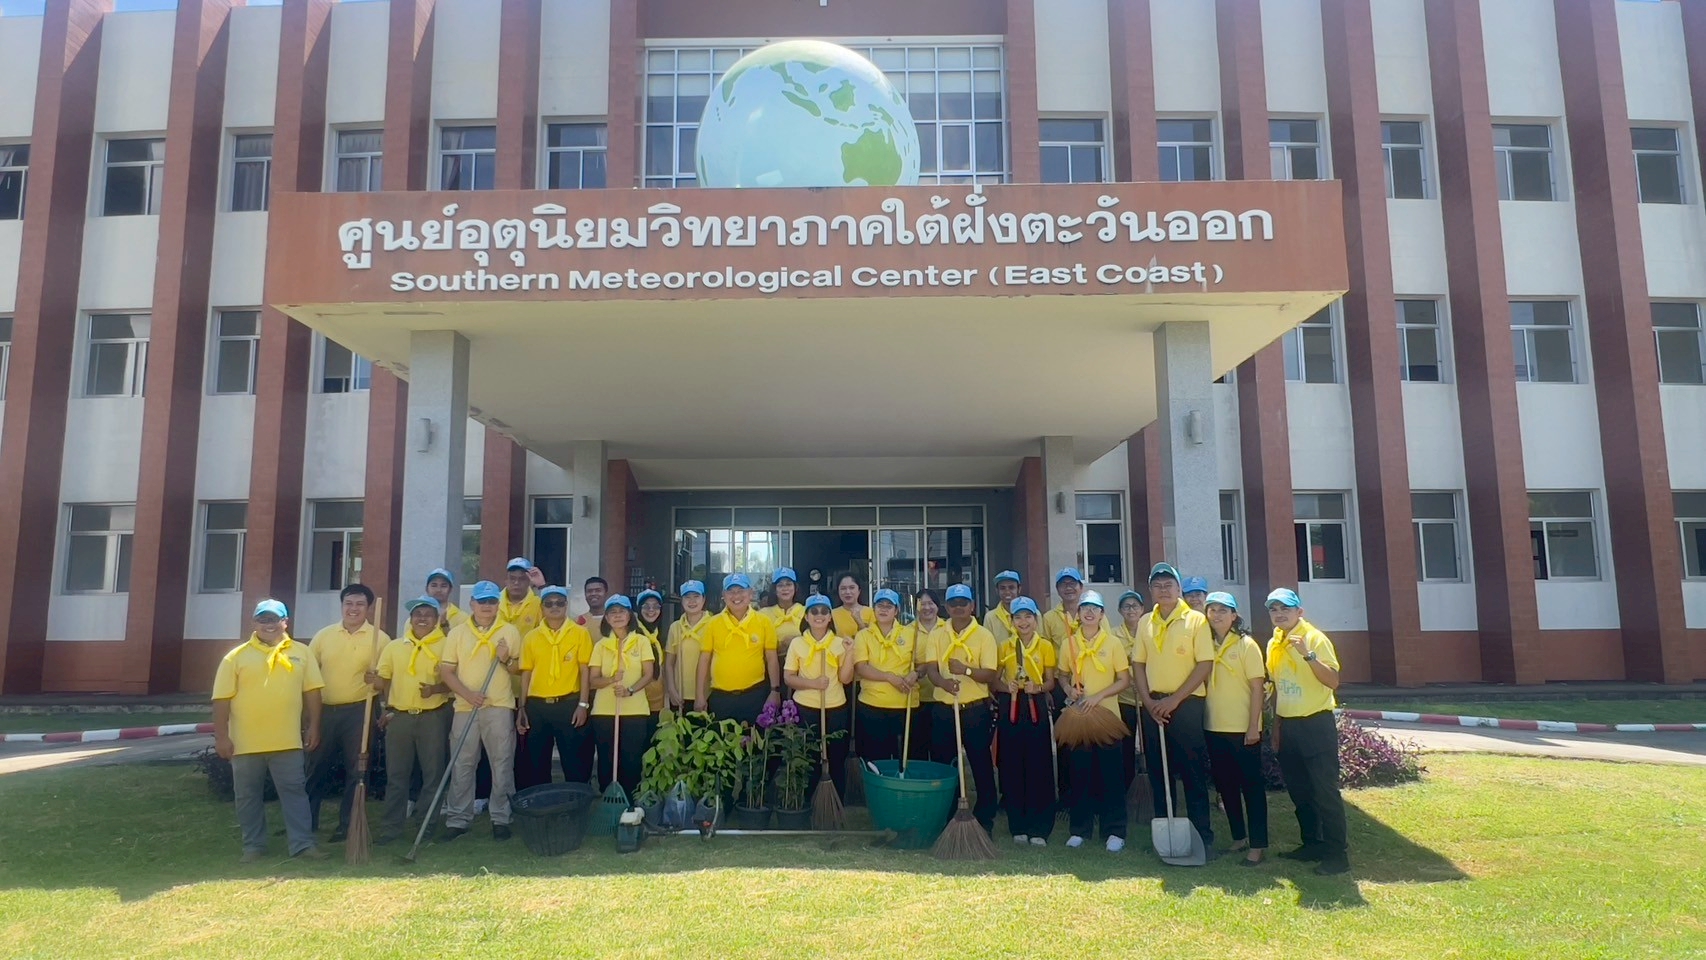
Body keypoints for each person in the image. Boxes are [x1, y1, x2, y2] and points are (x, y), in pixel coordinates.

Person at [212, 599, 326, 862]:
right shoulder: (235, 657)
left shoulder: (302, 652)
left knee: (295, 793)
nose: (268, 625)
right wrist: (222, 737)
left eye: (274, 619)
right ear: (254, 623)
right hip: (245, 742)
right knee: (247, 796)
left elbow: (312, 692)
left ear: (285, 622)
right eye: (263, 619)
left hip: (287, 741)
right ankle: (253, 846)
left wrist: (314, 726)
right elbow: (221, 699)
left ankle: (303, 844)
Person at [1132, 562, 1218, 857]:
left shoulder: (1196, 620)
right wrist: (1148, 701)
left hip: (1187, 704)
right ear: (1150, 590)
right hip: (1153, 705)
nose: (1163, 589)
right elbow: (1138, 664)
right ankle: (1166, 834)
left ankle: (1202, 835)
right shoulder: (1145, 621)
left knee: (1192, 771)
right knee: (1159, 771)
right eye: (1157, 585)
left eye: (1169, 584)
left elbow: (1204, 664)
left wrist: (1174, 700)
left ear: (1179, 588)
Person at [1265, 588, 1349, 875]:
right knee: (1300, 791)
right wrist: (1277, 728)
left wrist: (1308, 655)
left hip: (1316, 724)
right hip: (1289, 726)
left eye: (1285, 608)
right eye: (1274, 609)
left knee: (1325, 792)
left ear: (1299, 611)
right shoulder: (1274, 643)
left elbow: (1333, 681)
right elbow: (1277, 688)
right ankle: (1312, 844)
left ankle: (1337, 856)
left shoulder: (1314, 638)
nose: (1279, 613)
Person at [438, 580, 523, 841]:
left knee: (502, 762)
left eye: (492, 601)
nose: (487, 606)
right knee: (462, 762)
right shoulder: (457, 633)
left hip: (499, 706)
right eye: (482, 601)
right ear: (472, 603)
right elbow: (446, 671)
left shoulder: (509, 631)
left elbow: (518, 669)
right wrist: (468, 695)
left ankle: (501, 817)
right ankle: (458, 819)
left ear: (498, 604)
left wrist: (506, 658)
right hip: (465, 707)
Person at [305, 583, 389, 841]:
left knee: (357, 770)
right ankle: (306, 822)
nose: (354, 609)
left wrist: (377, 681)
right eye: (349, 603)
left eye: (360, 604)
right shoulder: (324, 636)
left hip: (360, 711)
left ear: (369, 608)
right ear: (342, 606)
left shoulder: (380, 639)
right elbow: (307, 675)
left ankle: (348, 824)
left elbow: (388, 680)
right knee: (315, 766)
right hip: (326, 711)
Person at [373, 596, 453, 845]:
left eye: (428, 614)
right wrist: (383, 700)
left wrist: (435, 689)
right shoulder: (394, 647)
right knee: (396, 775)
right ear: (410, 618)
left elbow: (455, 681)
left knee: (433, 774)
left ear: (437, 618)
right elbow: (384, 680)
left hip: (433, 717)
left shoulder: (448, 645)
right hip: (400, 718)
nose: (422, 618)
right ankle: (391, 828)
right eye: (417, 614)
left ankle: (425, 825)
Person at [922, 583, 1000, 835]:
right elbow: (932, 669)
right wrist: (944, 683)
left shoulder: (984, 636)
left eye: (963, 603)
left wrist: (965, 670)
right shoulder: (937, 634)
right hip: (944, 709)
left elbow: (989, 674)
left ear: (972, 606)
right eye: (953, 603)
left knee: (980, 763)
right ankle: (948, 816)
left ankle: (985, 819)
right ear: (946, 607)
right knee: (945, 765)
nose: (958, 608)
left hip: (975, 709)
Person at [1058, 591, 1131, 851]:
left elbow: (1124, 680)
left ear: (1102, 614)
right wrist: (1068, 689)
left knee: (1111, 775)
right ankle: (1080, 829)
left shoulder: (1113, 643)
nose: (1089, 612)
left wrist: (1099, 696)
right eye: (1084, 608)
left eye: (1095, 608)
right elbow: (1062, 674)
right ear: (1078, 614)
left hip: (1108, 717)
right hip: (1079, 717)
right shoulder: (1068, 643)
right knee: (1080, 774)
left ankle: (1115, 830)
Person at [1203, 592, 1268, 866]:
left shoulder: (1246, 645)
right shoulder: (1205, 645)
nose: (1216, 615)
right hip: (1213, 727)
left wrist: (1253, 726)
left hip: (1243, 729)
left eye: (1223, 610)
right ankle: (1238, 837)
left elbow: (1257, 688)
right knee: (1226, 786)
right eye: (1212, 609)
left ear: (1234, 616)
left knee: (1251, 788)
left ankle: (1258, 845)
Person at [516, 585, 594, 788]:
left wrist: (583, 704)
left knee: (574, 759)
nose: (554, 607)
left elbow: (584, 671)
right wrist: (522, 707)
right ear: (542, 607)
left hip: (568, 703)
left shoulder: (580, 633)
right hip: (537, 706)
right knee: (537, 762)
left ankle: (576, 799)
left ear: (566, 605)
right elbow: (526, 673)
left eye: (559, 602)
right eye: (549, 603)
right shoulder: (531, 637)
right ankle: (543, 800)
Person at [994, 596, 1055, 846]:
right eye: (1018, 617)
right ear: (1012, 621)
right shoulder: (1005, 646)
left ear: (1036, 619)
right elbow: (994, 680)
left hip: (1035, 704)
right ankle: (1017, 824)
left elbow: (1050, 681)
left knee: (1039, 764)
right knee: (1012, 764)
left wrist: (1038, 687)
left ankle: (1040, 826)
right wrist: (1005, 686)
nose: (1023, 621)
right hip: (1011, 704)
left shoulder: (1045, 646)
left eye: (1028, 616)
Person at [784, 594, 856, 799]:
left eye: (824, 611)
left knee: (836, 757)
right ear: (806, 617)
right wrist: (813, 684)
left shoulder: (840, 643)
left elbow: (845, 679)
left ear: (830, 617)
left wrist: (850, 653)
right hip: (805, 707)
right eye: (814, 611)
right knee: (809, 757)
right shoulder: (797, 643)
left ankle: (835, 801)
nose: (819, 615)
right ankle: (808, 800)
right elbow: (789, 678)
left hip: (835, 708)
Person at [589, 594, 655, 799]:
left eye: (622, 611)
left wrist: (630, 690)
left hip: (635, 710)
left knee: (631, 759)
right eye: (612, 612)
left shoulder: (641, 641)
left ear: (630, 615)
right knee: (607, 759)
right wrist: (611, 679)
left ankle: (630, 800)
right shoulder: (601, 645)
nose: (617, 616)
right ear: (606, 618)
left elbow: (648, 674)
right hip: (604, 711)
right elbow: (593, 680)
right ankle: (608, 798)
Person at [695, 573, 781, 724]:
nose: (736, 596)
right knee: (721, 738)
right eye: (731, 591)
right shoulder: (713, 623)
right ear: (723, 595)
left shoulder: (764, 622)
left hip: (755, 694)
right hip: (721, 698)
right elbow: (704, 659)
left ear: (750, 593)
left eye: (741, 591)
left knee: (754, 738)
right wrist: (699, 695)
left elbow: (771, 658)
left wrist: (775, 691)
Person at [851, 588, 921, 763]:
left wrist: (916, 673)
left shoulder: (911, 634)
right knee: (875, 761)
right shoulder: (863, 635)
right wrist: (889, 677)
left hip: (905, 705)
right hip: (872, 705)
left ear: (896, 611)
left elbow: (923, 664)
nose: (883, 609)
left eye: (889, 606)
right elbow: (861, 667)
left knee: (904, 761)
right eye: (880, 605)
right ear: (873, 609)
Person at [1110, 589, 1146, 794]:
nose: (1131, 610)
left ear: (1142, 609)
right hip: (1124, 699)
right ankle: (1126, 788)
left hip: (1148, 699)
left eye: (1135, 606)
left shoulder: (1149, 632)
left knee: (1151, 746)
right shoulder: (1113, 635)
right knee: (1125, 745)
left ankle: (1152, 788)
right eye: (1126, 606)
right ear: (1120, 610)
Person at [904, 588, 946, 760]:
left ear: (938, 605)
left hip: (943, 697)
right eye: (922, 604)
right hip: (916, 698)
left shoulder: (948, 628)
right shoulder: (908, 631)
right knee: (917, 750)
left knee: (942, 749)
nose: (927, 608)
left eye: (931, 603)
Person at [665, 580, 709, 712]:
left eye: (696, 596)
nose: (692, 601)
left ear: (703, 599)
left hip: (707, 694)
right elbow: (669, 663)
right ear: (682, 600)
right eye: (687, 597)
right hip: (680, 695)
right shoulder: (675, 627)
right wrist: (671, 689)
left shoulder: (713, 624)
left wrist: (703, 696)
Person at [634, 588, 669, 732]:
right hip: (637, 700)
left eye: (656, 606)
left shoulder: (660, 634)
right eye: (646, 606)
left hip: (657, 701)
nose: (651, 610)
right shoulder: (632, 634)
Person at [760, 567, 806, 647]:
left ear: (795, 588)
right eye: (780, 585)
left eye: (788, 584)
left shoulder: (807, 612)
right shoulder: (763, 614)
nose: (785, 588)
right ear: (774, 590)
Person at [498, 558, 546, 635]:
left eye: (522, 579)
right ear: (506, 580)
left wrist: (542, 586)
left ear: (529, 581)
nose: (516, 582)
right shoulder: (493, 601)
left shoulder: (538, 604)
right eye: (512, 578)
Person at [983, 570, 1023, 648]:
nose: (1007, 592)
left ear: (1019, 589)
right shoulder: (990, 617)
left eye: (1011, 587)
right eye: (1002, 588)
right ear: (997, 590)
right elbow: (988, 646)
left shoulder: (1033, 614)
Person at [831, 573, 876, 639]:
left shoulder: (871, 612)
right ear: (838, 591)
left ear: (859, 591)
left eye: (852, 588)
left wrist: (859, 621)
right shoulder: (831, 614)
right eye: (843, 588)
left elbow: (873, 639)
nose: (847, 592)